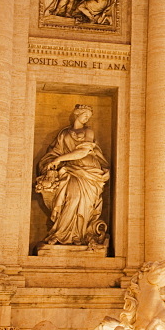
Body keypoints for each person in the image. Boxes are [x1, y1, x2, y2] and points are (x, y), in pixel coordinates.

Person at [35, 104, 110, 246]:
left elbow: (83, 151)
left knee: (85, 204)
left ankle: (79, 235)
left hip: (89, 171)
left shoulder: (88, 131)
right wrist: (52, 162)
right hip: (71, 171)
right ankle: (61, 234)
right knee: (72, 198)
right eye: (85, 115)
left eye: (89, 116)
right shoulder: (64, 134)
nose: (87, 118)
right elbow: (55, 152)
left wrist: (59, 159)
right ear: (77, 114)